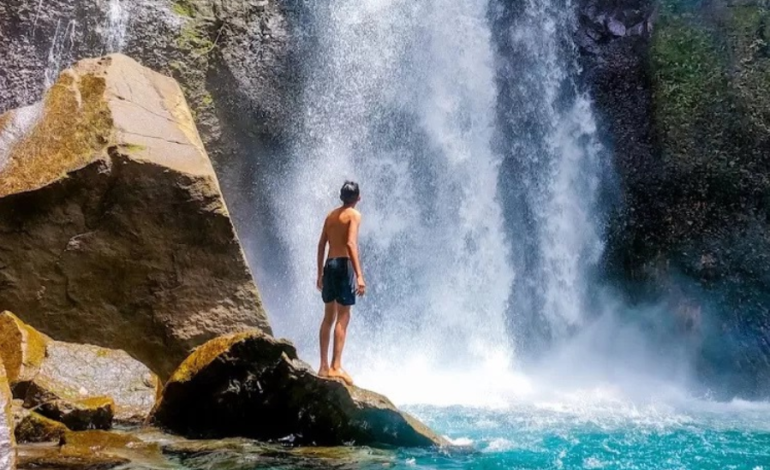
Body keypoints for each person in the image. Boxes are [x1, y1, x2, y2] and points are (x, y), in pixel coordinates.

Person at [316, 180, 366, 386]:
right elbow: (350, 243)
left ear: (341, 197)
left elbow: (321, 244)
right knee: (343, 316)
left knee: (328, 317)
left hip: (329, 265)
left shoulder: (330, 215)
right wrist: (359, 275)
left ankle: (323, 366)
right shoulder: (354, 215)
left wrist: (319, 273)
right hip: (343, 266)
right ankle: (336, 366)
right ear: (358, 198)